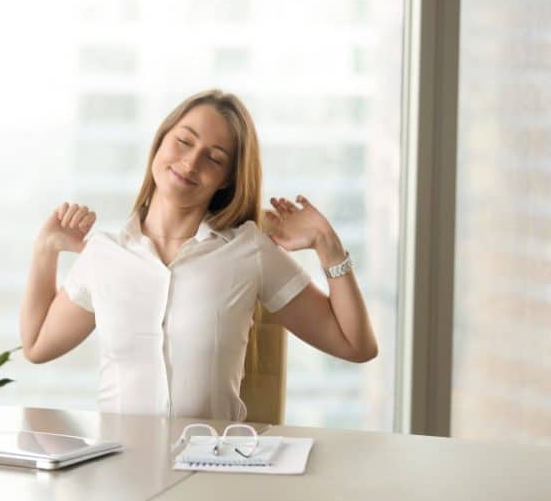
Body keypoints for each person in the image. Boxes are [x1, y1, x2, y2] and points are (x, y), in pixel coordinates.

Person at [19, 89, 378, 421]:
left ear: (226, 179)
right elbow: (36, 346)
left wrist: (327, 246)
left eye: (214, 158)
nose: (191, 162)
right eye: (184, 141)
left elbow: (356, 345)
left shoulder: (249, 251)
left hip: (211, 473)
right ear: (160, 141)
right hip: (118, 472)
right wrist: (45, 250)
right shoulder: (104, 255)